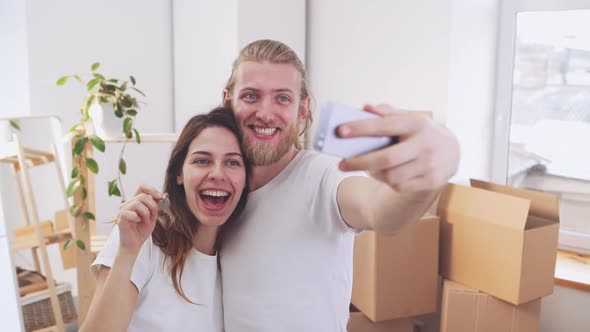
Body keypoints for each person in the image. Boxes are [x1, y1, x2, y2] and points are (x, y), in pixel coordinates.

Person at [141, 39, 460, 331]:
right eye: (251, 96)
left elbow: (381, 211)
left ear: (303, 109)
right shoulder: (223, 196)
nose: (265, 113)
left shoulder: (323, 176)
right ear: (228, 102)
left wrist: (434, 167)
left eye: (282, 98)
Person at [80, 106, 249, 332]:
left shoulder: (236, 260)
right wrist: (128, 251)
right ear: (179, 173)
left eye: (232, 162)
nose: (217, 173)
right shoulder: (144, 238)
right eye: (202, 161)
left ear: (246, 179)